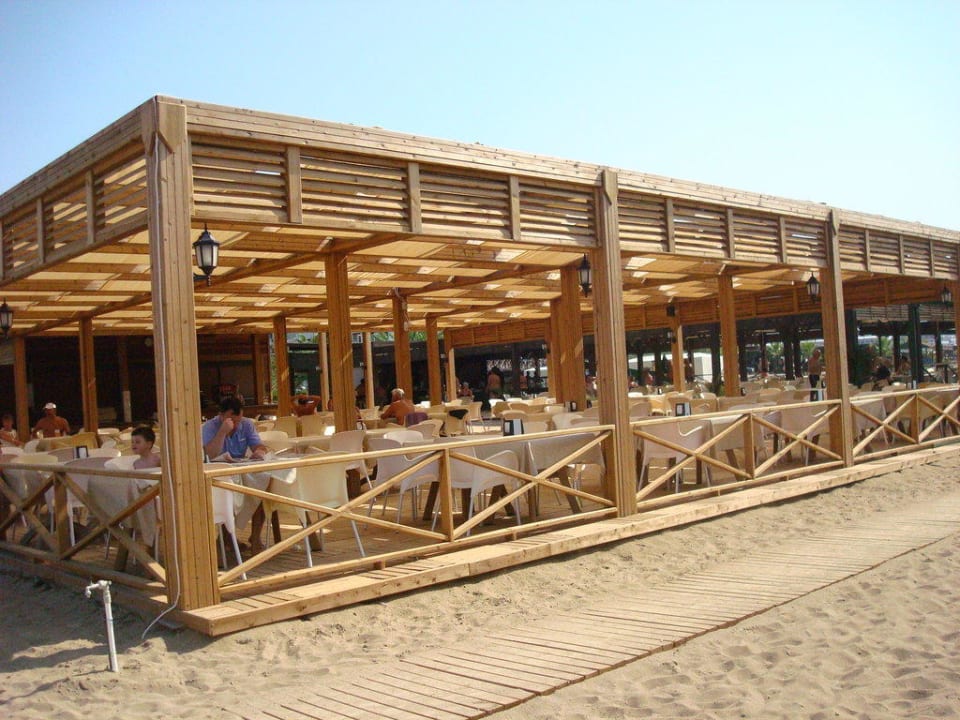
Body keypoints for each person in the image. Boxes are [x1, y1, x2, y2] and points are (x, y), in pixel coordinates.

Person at [202, 396, 269, 552]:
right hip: (219, 473)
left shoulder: (246, 424)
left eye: (238, 420)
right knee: (227, 493)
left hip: (242, 469)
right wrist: (222, 432)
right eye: (232, 420)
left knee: (262, 486)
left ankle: (256, 537)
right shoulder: (209, 427)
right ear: (221, 415)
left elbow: (259, 445)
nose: (236, 424)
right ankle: (228, 538)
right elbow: (208, 455)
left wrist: (259, 451)